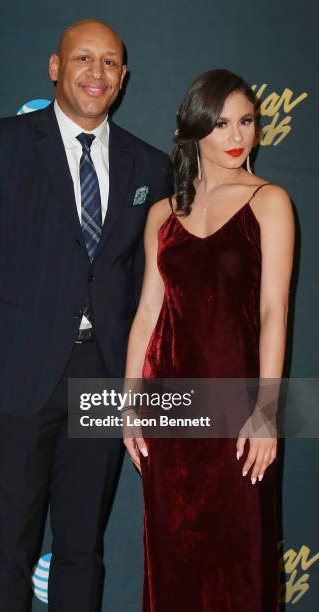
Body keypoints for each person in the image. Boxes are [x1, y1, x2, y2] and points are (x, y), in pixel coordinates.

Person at [0, 19, 173, 612]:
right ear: (54, 67)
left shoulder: (150, 166)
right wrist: (2, 340)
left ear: (123, 77)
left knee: (81, 551)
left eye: (111, 62)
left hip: (102, 378)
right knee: (8, 552)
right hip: (15, 375)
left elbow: (147, 283)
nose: (97, 73)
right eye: (83, 59)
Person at [124, 69, 294, 611]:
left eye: (246, 121)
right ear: (195, 129)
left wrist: (267, 411)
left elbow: (274, 311)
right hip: (170, 414)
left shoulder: (270, 202)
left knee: (242, 563)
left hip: (240, 414)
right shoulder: (161, 215)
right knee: (173, 560)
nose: (237, 135)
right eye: (220, 123)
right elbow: (149, 309)